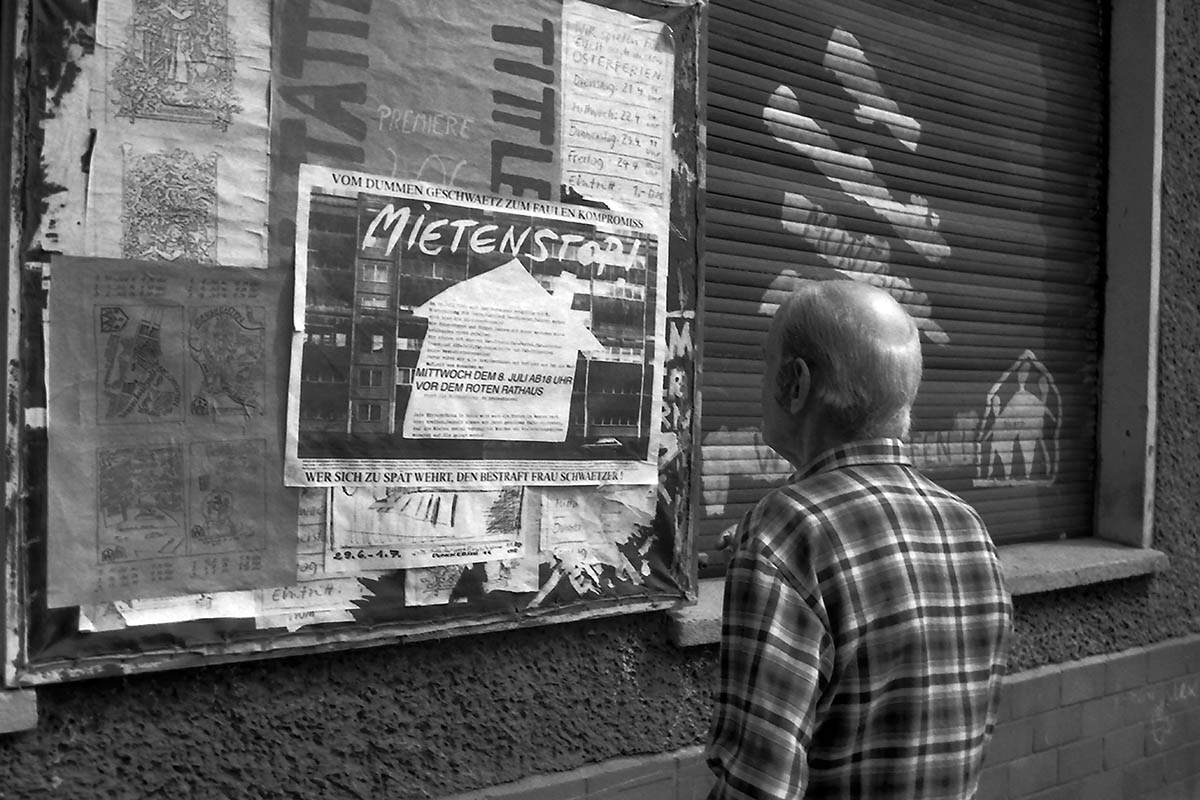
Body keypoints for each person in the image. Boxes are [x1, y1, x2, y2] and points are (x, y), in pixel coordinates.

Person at [707, 280, 1012, 800]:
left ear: (794, 383)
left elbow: (759, 785)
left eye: (766, 365)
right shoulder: (968, 528)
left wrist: (770, 561)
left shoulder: (785, 531)